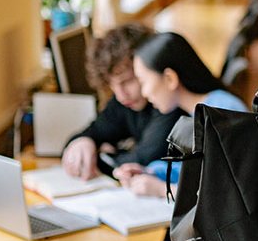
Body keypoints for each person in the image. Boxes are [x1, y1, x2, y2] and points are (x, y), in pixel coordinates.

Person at [118, 31, 247, 197]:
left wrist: (162, 190)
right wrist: (149, 172)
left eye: (143, 82)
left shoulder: (223, 111)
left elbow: (225, 194)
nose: (144, 93)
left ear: (170, 78)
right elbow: (192, 171)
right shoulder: (198, 113)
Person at [61, 23, 183, 180]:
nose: (120, 95)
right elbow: (93, 131)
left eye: (127, 81)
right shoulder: (125, 101)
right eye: (112, 85)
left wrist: (100, 157)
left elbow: (144, 159)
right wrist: (83, 142)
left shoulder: (169, 103)